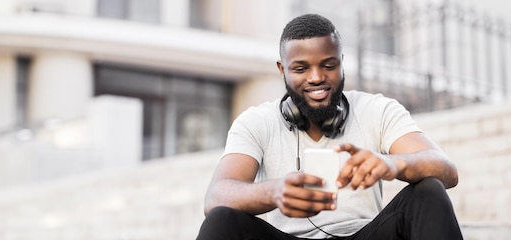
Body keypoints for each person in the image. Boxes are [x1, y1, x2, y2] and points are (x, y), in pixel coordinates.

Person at [196, 13, 463, 240]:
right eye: (300, 68)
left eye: (328, 65)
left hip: (363, 234)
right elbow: (216, 197)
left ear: (341, 62)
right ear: (282, 70)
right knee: (222, 219)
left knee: (428, 191)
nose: (316, 78)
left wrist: (394, 164)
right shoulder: (256, 121)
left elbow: (447, 170)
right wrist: (273, 191)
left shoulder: (377, 109)